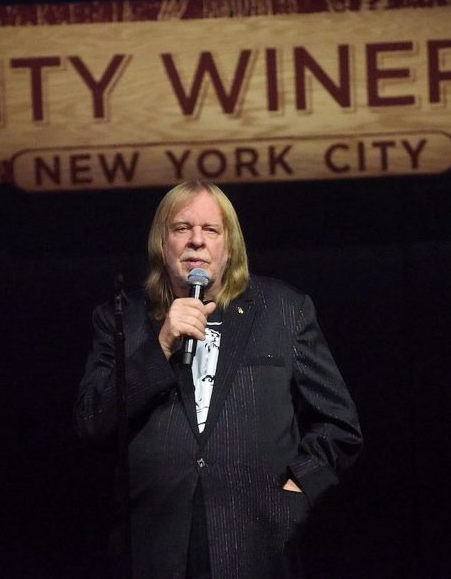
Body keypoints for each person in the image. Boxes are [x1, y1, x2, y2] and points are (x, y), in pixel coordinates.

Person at [75, 180, 362, 578]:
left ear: (230, 245)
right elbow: (93, 423)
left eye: (210, 230)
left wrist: (296, 492)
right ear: (162, 242)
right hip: (155, 544)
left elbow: (339, 424)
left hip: (255, 540)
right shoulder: (122, 321)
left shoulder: (283, 311)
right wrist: (159, 347)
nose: (196, 241)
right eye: (182, 228)